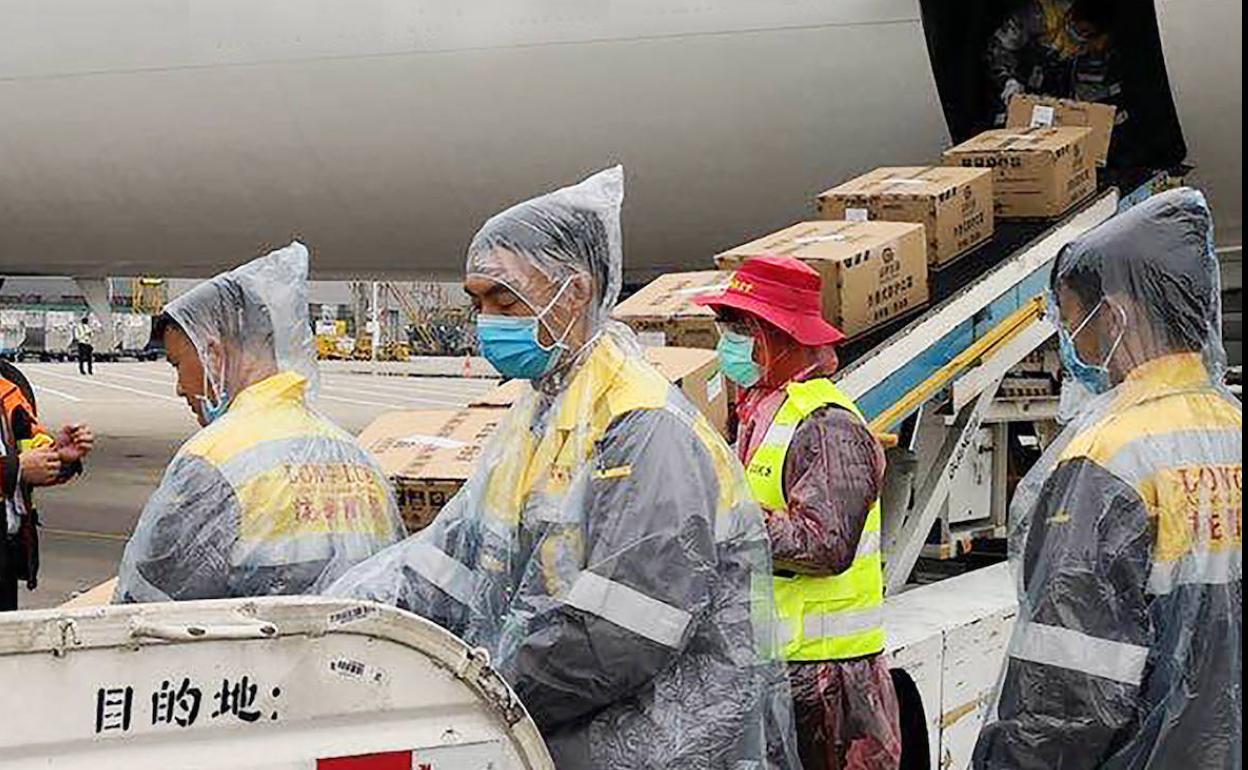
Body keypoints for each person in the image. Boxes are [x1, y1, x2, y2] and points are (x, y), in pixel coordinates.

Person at [329, 167, 800, 770]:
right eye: (476, 302)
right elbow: (454, 556)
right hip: (570, 728)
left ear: (574, 292)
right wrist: (343, 620)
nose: (486, 323)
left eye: (505, 300)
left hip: (657, 741)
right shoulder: (539, 415)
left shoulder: (640, 423)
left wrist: (483, 692)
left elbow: (622, 630)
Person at [973, 188, 1242, 769]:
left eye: (1073, 322)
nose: (1071, 343)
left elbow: (1067, 693)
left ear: (1117, 315)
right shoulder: (1233, 426)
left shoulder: (1111, 455)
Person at [695, 255, 903, 770]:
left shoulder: (826, 424)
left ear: (779, 336)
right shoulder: (764, 410)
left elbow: (825, 544)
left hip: (827, 681)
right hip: (782, 666)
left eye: (740, 328)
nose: (728, 342)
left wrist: (726, 518)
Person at [113, 242, 405, 603]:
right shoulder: (356, 457)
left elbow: (147, 608)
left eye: (177, 364)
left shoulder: (214, 461)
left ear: (213, 353)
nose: (179, 388)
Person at [1, 359, 95, 609]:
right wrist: (15, 469)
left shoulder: (9, 381)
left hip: (5, 558)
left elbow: (30, 449)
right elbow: (19, 466)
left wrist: (59, 455)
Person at [987, 0, 1119, 116]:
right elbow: (999, 48)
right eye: (1078, 29)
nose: (1078, 36)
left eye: (1086, 33)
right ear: (1071, 14)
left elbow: (1090, 88)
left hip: (1057, 96)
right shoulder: (1039, 15)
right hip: (1017, 83)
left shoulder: (1097, 45)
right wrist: (1007, 80)